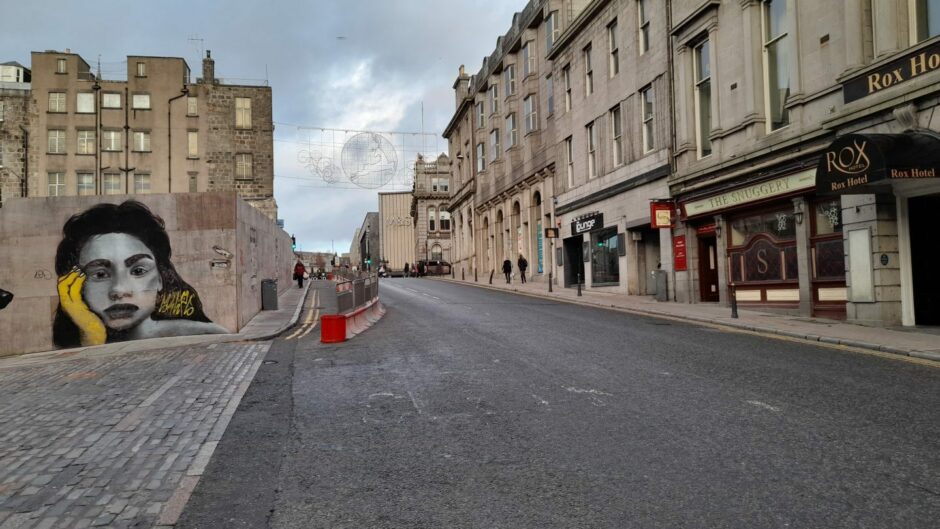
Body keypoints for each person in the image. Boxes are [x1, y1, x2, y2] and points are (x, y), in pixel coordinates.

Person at [53, 200, 227, 348]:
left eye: (138, 271)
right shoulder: (69, 343)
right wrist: (91, 334)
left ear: (160, 278)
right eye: (99, 274)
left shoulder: (208, 336)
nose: (119, 290)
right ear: (76, 285)